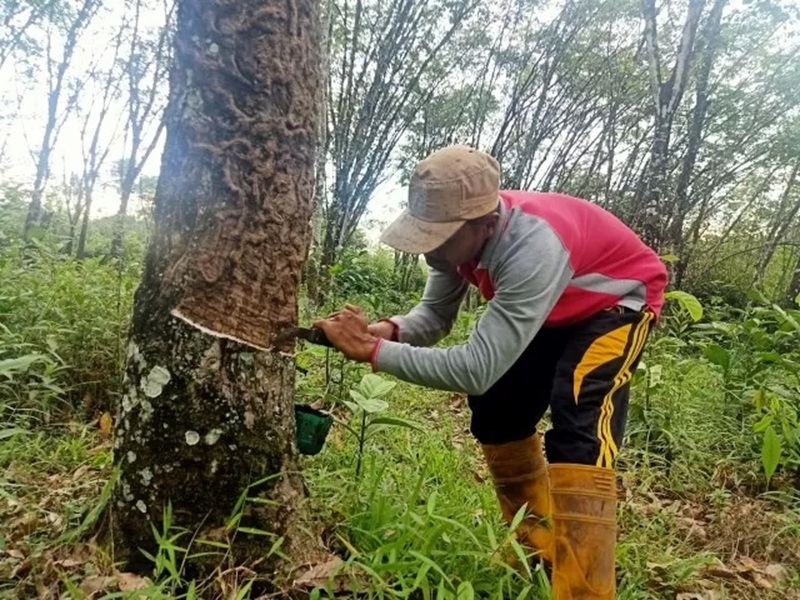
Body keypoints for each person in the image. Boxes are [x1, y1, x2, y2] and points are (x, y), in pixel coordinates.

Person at [313, 144, 668, 600]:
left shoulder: (531, 245)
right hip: (552, 309)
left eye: (438, 238)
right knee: (498, 406)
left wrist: (370, 351)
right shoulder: (455, 249)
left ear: (484, 223)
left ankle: (584, 590)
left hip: (616, 303)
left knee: (580, 419)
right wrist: (382, 331)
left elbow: (474, 368)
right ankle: (536, 550)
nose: (429, 251)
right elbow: (434, 318)